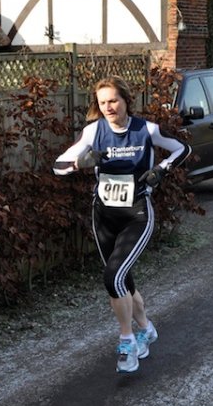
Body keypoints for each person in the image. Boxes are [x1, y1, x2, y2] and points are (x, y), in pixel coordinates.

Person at [53, 76, 191, 373]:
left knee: (113, 276)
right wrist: (80, 163)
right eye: (102, 102)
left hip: (137, 214)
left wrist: (160, 170)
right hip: (104, 215)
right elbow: (58, 166)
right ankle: (146, 329)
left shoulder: (146, 130)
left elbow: (182, 149)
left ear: (126, 100)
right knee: (122, 281)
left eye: (113, 100)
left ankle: (127, 342)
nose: (108, 107)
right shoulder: (94, 131)